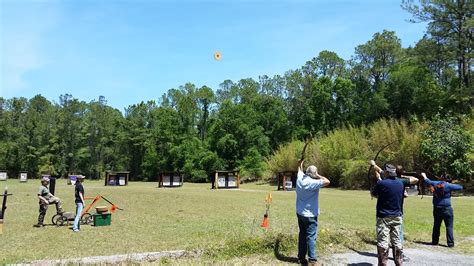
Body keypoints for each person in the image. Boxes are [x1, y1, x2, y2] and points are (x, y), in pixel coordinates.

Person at [296, 160, 330, 265]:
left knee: (302, 235)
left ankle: (301, 258)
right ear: (314, 174)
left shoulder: (300, 179)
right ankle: (312, 260)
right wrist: (317, 175)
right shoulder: (314, 182)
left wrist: (300, 163)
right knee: (311, 236)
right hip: (311, 214)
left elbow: (299, 170)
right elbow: (327, 181)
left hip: (300, 213)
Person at [370, 161, 404, 266]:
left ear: (387, 173)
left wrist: (378, 180)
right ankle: (399, 263)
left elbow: (374, 193)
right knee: (397, 242)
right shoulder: (400, 183)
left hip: (383, 217)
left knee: (383, 243)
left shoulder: (381, 183)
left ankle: (383, 264)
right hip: (397, 217)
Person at [421, 172, 463, 248]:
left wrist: (424, 175)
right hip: (447, 208)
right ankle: (450, 243)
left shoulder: (435, 183)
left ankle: (434, 241)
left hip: (437, 208)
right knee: (449, 226)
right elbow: (460, 187)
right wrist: (452, 184)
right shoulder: (449, 185)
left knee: (436, 225)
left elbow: (427, 181)